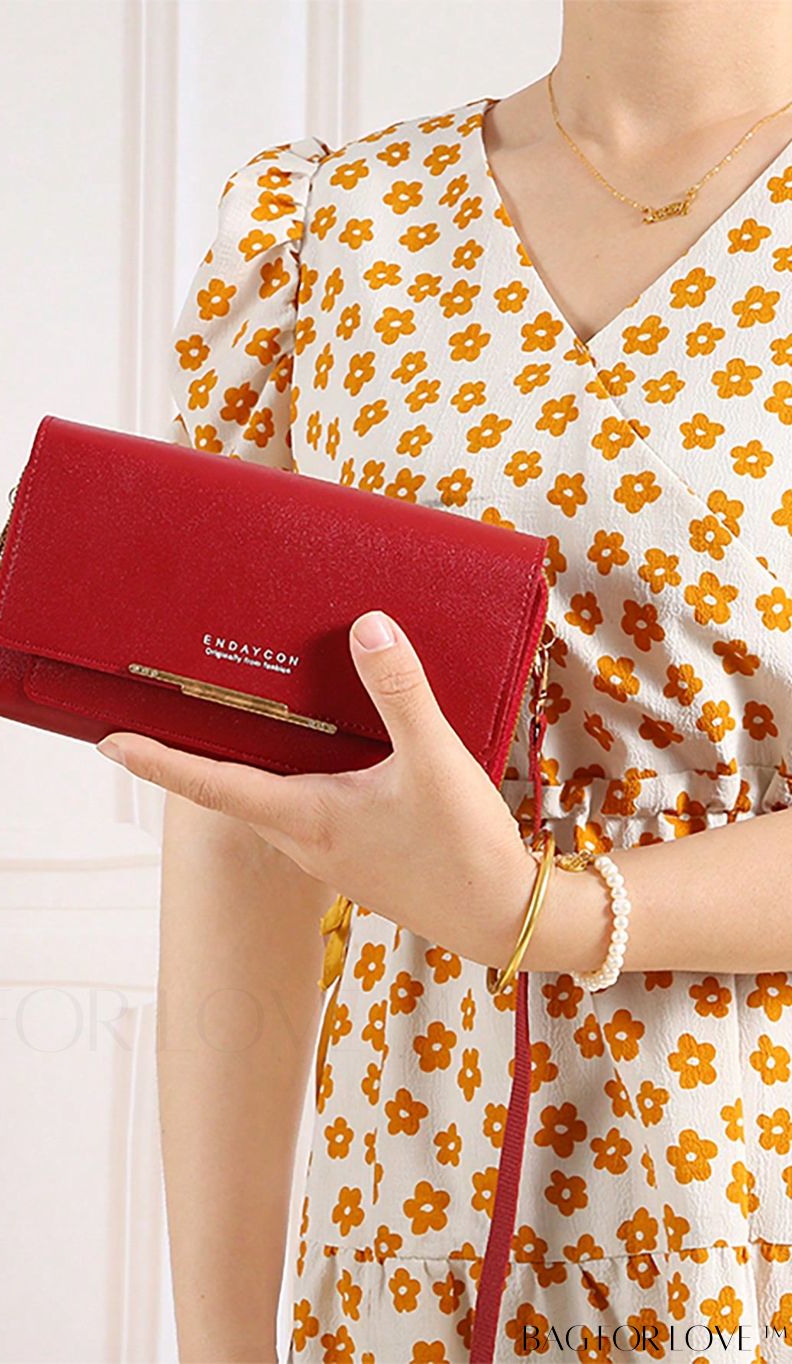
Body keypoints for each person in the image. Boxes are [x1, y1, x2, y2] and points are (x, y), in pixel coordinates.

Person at [98, 2, 792, 1358]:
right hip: (404, 1227)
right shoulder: (331, 234)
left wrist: (542, 912)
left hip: (746, 1227)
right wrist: (222, 1346)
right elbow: (243, 814)